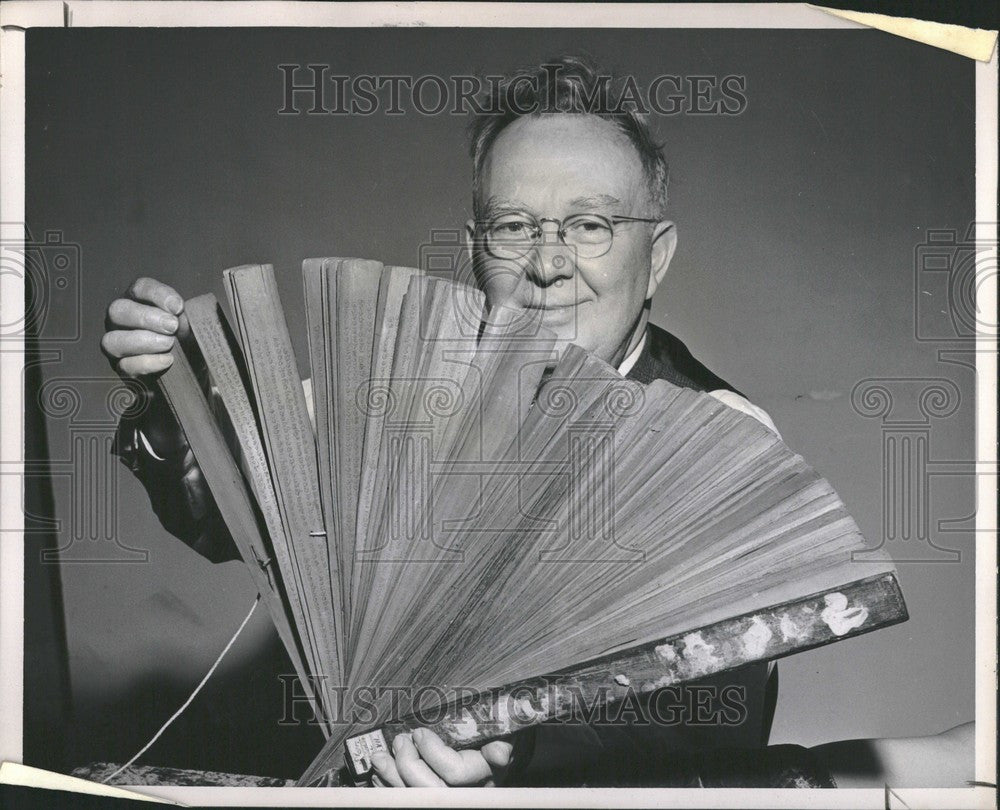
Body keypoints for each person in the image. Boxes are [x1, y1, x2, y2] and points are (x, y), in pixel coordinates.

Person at [102, 56, 921, 788]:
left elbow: (705, 713)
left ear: (657, 256)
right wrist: (176, 406)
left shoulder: (723, 440)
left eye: (591, 225)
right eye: (513, 226)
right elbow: (227, 518)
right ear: (474, 247)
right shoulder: (402, 395)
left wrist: (510, 755)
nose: (548, 261)